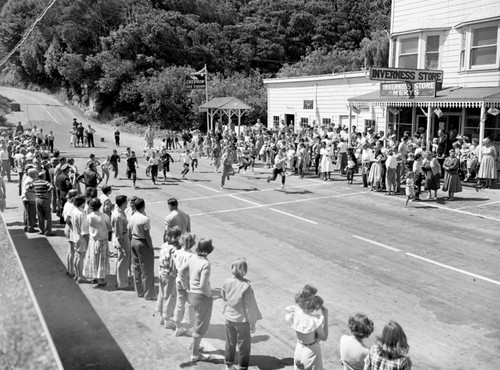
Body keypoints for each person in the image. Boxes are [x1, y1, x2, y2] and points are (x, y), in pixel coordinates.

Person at [222, 258, 262, 370]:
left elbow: (224, 296)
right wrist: (253, 322)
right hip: (242, 321)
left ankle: (228, 363)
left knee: (230, 342)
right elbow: (250, 307)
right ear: (244, 270)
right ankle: (242, 366)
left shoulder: (227, 281)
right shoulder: (246, 287)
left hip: (229, 317)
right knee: (243, 345)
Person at [178, 238, 215, 362]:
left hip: (192, 295)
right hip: (202, 297)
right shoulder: (205, 264)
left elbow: (181, 271)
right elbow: (203, 284)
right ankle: (195, 354)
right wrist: (209, 295)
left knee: (196, 322)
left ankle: (194, 345)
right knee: (201, 326)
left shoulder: (192, 258)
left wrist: (185, 286)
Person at [285, 284, 328, 370]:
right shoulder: (314, 320)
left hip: (299, 349)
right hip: (311, 352)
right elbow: (324, 337)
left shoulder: (294, 312)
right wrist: (326, 318)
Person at [128, 198, 156, 300]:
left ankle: (139, 291)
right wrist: (150, 247)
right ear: (143, 206)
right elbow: (147, 235)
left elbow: (129, 231)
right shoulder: (145, 219)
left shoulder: (132, 217)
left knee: (136, 268)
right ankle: (148, 293)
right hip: (142, 242)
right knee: (147, 269)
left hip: (133, 241)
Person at [157, 226, 182, 329]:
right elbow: (173, 264)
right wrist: (175, 274)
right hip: (169, 275)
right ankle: (167, 319)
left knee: (162, 294)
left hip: (161, 273)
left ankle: (161, 316)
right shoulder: (174, 249)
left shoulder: (164, 245)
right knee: (170, 297)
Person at [83, 198, 112, 287]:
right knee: (102, 260)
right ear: (100, 206)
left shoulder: (88, 217)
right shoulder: (105, 216)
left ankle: (94, 277)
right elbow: (110, 228)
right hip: (103, 240)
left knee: (93, 258)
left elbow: (85, 229)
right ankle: (101, 279)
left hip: (93, 240)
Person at [173, 233, 197, 337]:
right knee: (190, 305)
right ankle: (189, 326)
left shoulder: (176, 252)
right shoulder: (192, 256)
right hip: (189, 283)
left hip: (178, 280)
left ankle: (178, 326)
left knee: (179, 303)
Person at [68, 195, 89, 283]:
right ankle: (80, 276)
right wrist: (88, 240)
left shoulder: (74, 211)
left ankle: (77, 275)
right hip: (81, 237)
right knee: (80, 257)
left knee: (77, 256)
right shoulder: (82, 214)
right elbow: (84, 230)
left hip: (75, 236)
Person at [112, 195, 131, 290]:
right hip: (122, 237)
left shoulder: (119, 212)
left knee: (122, 260)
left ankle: (121, 280)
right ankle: (122, 283)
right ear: (123, 203)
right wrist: (122, 244)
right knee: (123, 261)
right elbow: (118, 232)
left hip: (123, 237)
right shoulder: (119, 216)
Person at [31, 171, 54, 236]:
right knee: (47, 215)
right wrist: (47, 192)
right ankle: (48, 231)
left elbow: (28, 188)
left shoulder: (35, 182)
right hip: (45, 199)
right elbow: (51, 187)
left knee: (40, 215)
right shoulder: (45, 182)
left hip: (37, 199)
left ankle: (42, 230)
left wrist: (34, 192)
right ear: (44, 176)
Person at [62, 190, 78, 277]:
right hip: (70, 228)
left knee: (70, 250)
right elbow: (67, 219)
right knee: (72, 251)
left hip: (67, 228)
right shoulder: (72, 206)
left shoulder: (67, 204)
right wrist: (72, 226)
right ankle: (71, 271)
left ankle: (69, 269)